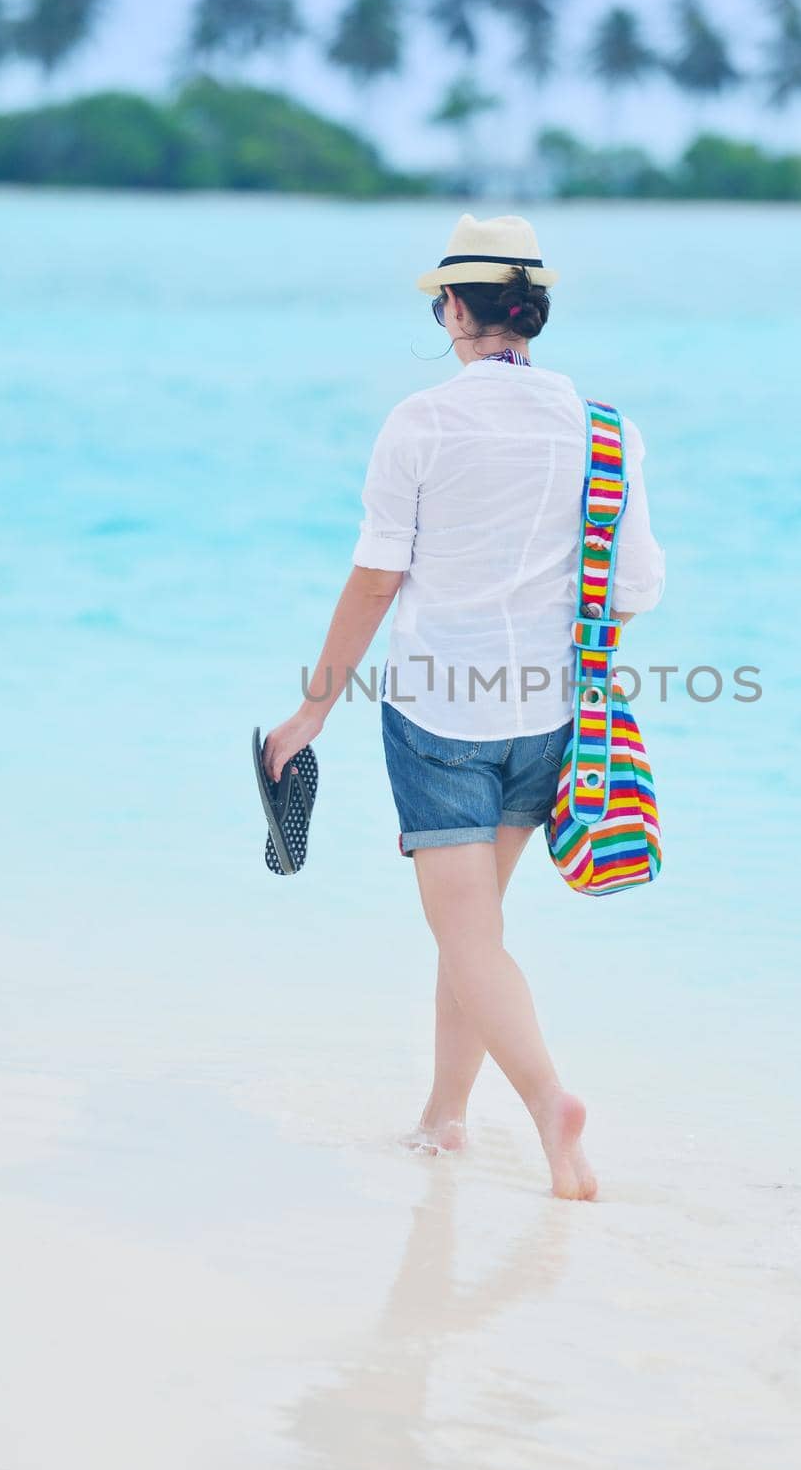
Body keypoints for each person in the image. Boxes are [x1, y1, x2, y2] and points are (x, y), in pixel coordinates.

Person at [262, 213, 665, 1200]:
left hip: (441, 714)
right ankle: (444, 1120)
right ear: (534, 312)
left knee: (466, 931)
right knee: (472, 929)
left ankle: (548, 1104)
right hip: (549, 716)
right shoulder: (605, 429)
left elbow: (374, 580)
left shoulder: (423, 421)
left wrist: (312, 710)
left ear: (453, 307)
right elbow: (634, 588)